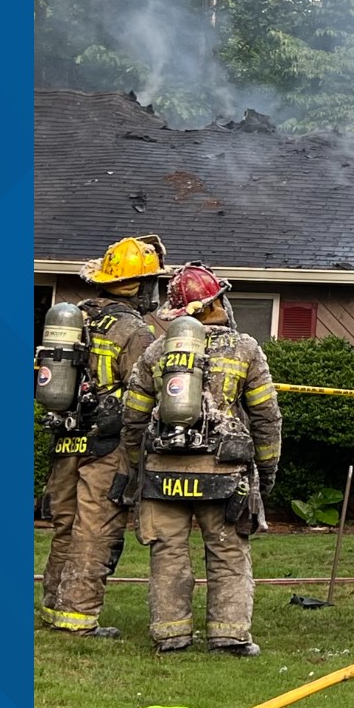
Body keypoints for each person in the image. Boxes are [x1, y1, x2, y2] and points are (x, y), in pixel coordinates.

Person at [120, 263, 282, 656]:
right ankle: (228, 636)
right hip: (223, 471)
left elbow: (133, 417)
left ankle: (171, 635)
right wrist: (267, 468)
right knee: (227, 550)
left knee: (168, 552)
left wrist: (135, 464)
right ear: (213, 304)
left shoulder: (158, 351)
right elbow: (266, 417)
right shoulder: (245, 348)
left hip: (162, 471)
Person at [37, 235, 166, 638]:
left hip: (67, 435)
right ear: (140, 285)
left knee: (65, 524)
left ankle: (54, 608)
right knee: (95, 528)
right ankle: (80, 618)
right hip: (107, 443)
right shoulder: (134, 330)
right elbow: (147, 390)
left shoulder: (73, 317)